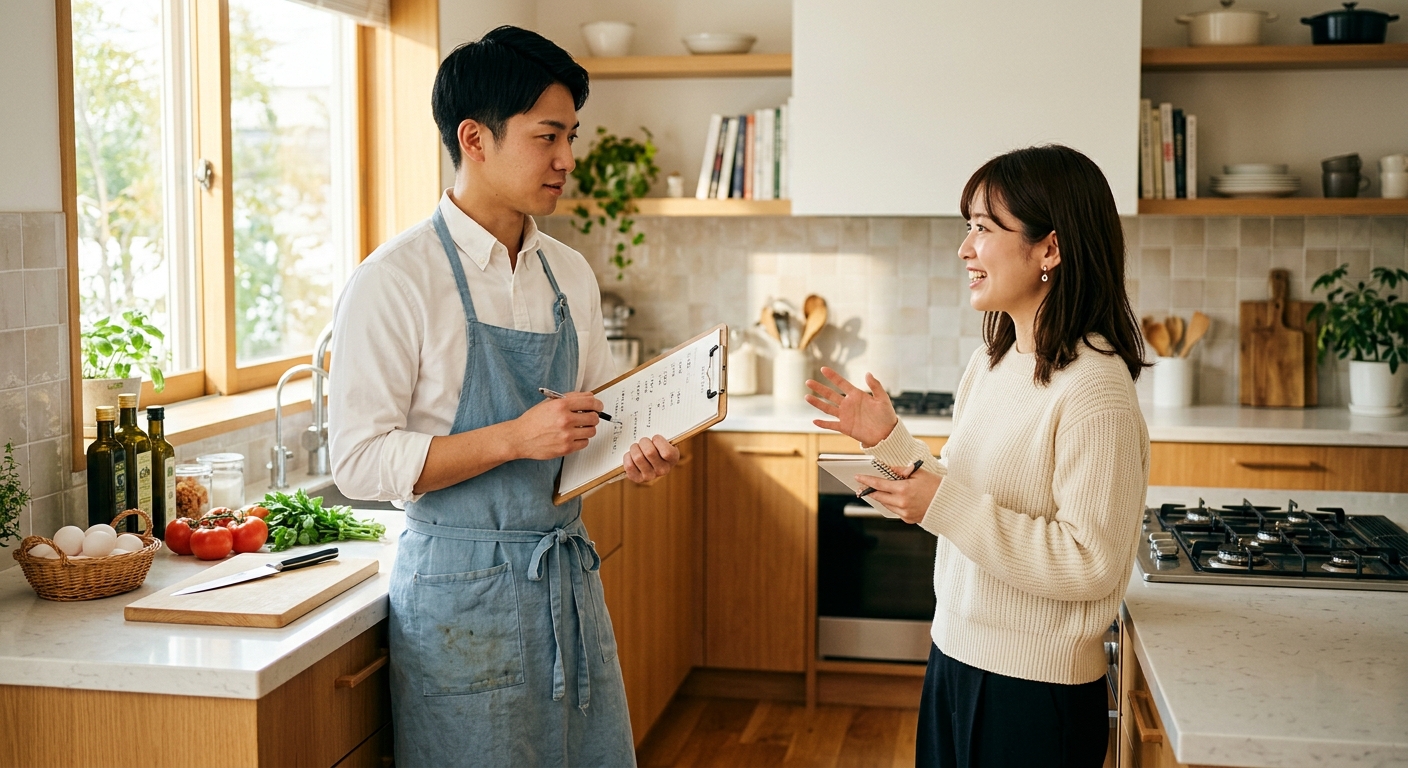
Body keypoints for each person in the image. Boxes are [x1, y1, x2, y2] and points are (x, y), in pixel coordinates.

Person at [327, 26, 679, 768]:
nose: (567, 159)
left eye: (571, 136)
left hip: (567, 589)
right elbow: (358, 464)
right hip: (459, 604)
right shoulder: (396, 280)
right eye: (548, 135)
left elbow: (588, 430)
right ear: (475, 138)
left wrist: (629, 453)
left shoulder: (569, 274)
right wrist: (516, 438)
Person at [806, 145, 1150, 768]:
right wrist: (890, 440)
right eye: (968, 227)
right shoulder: (992, 362)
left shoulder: (1096, 387)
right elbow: (963, 493)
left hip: (1033, 690)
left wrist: (944, 502)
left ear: (1050, 248)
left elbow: (1093, 563)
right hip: (955, 657)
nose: (965, 249)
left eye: (984, 229)